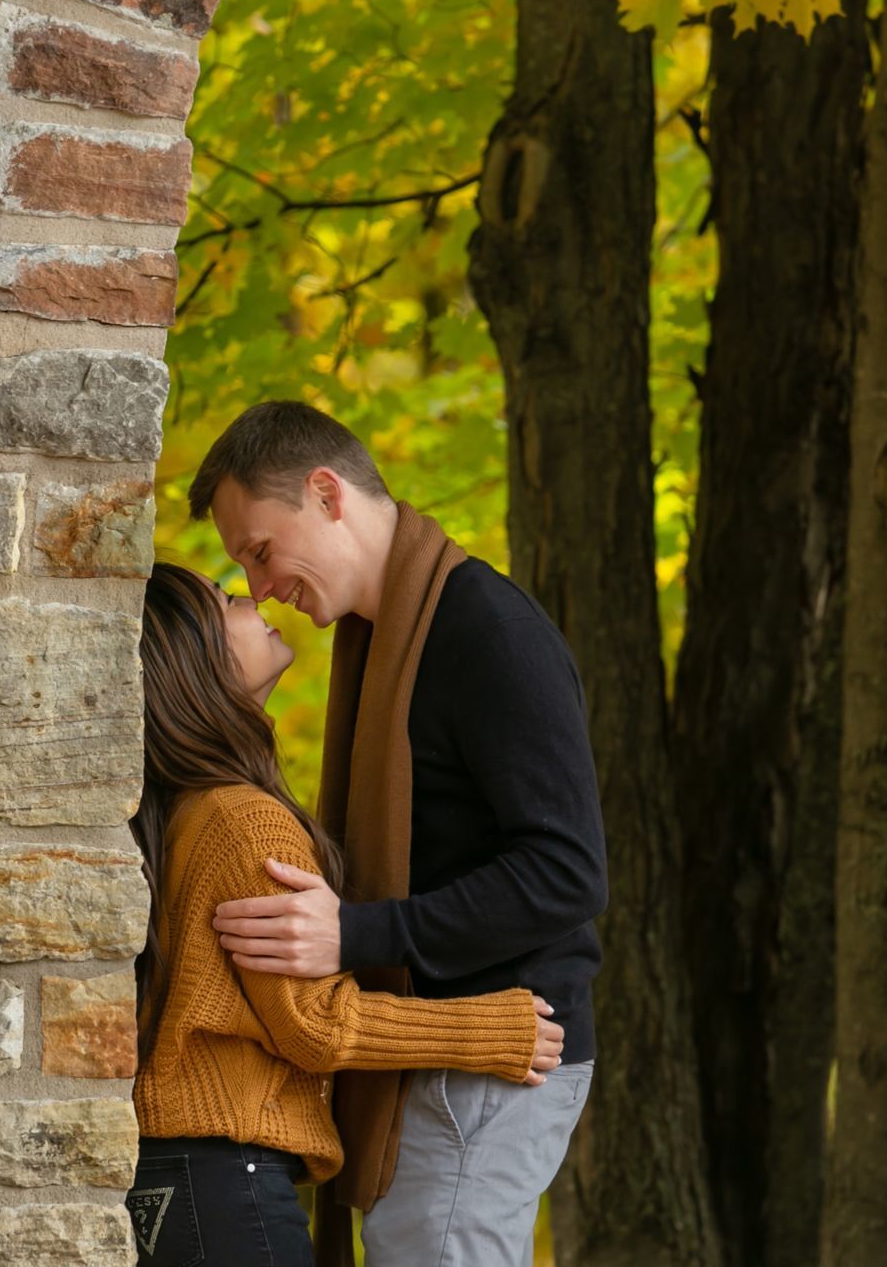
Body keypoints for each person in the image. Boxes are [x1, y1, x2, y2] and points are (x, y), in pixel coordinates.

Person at [190, 401, 608, 1267]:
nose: (261, 588)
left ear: (325, 493)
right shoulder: (380, 643)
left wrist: (355, 931)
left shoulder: (489, 632)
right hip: (436, 1060)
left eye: (261, 552)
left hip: (496, 1056)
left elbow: (568, 874)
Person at [127, 561, 568, 1267]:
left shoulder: (184, 812)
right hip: (222, 1181)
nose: (252, 595)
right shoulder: (245, 822)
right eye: (225, 599)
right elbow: (315, 1024)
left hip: (174, 1175)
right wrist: (493, 1028)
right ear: (189, 657)